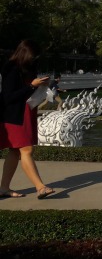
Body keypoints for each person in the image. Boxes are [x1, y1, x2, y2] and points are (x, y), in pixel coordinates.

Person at [0, 40, 55, 199]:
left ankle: (4, 188)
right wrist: (32, 86)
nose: (35, 59)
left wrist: (41, 85)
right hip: (13, 116)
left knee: (15, 151)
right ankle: (40, 187)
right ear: (25, 54)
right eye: (33, 56)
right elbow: (8, 97)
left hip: (24, 113)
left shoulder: (27, 68)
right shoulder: (11, 68)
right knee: (26, 149)